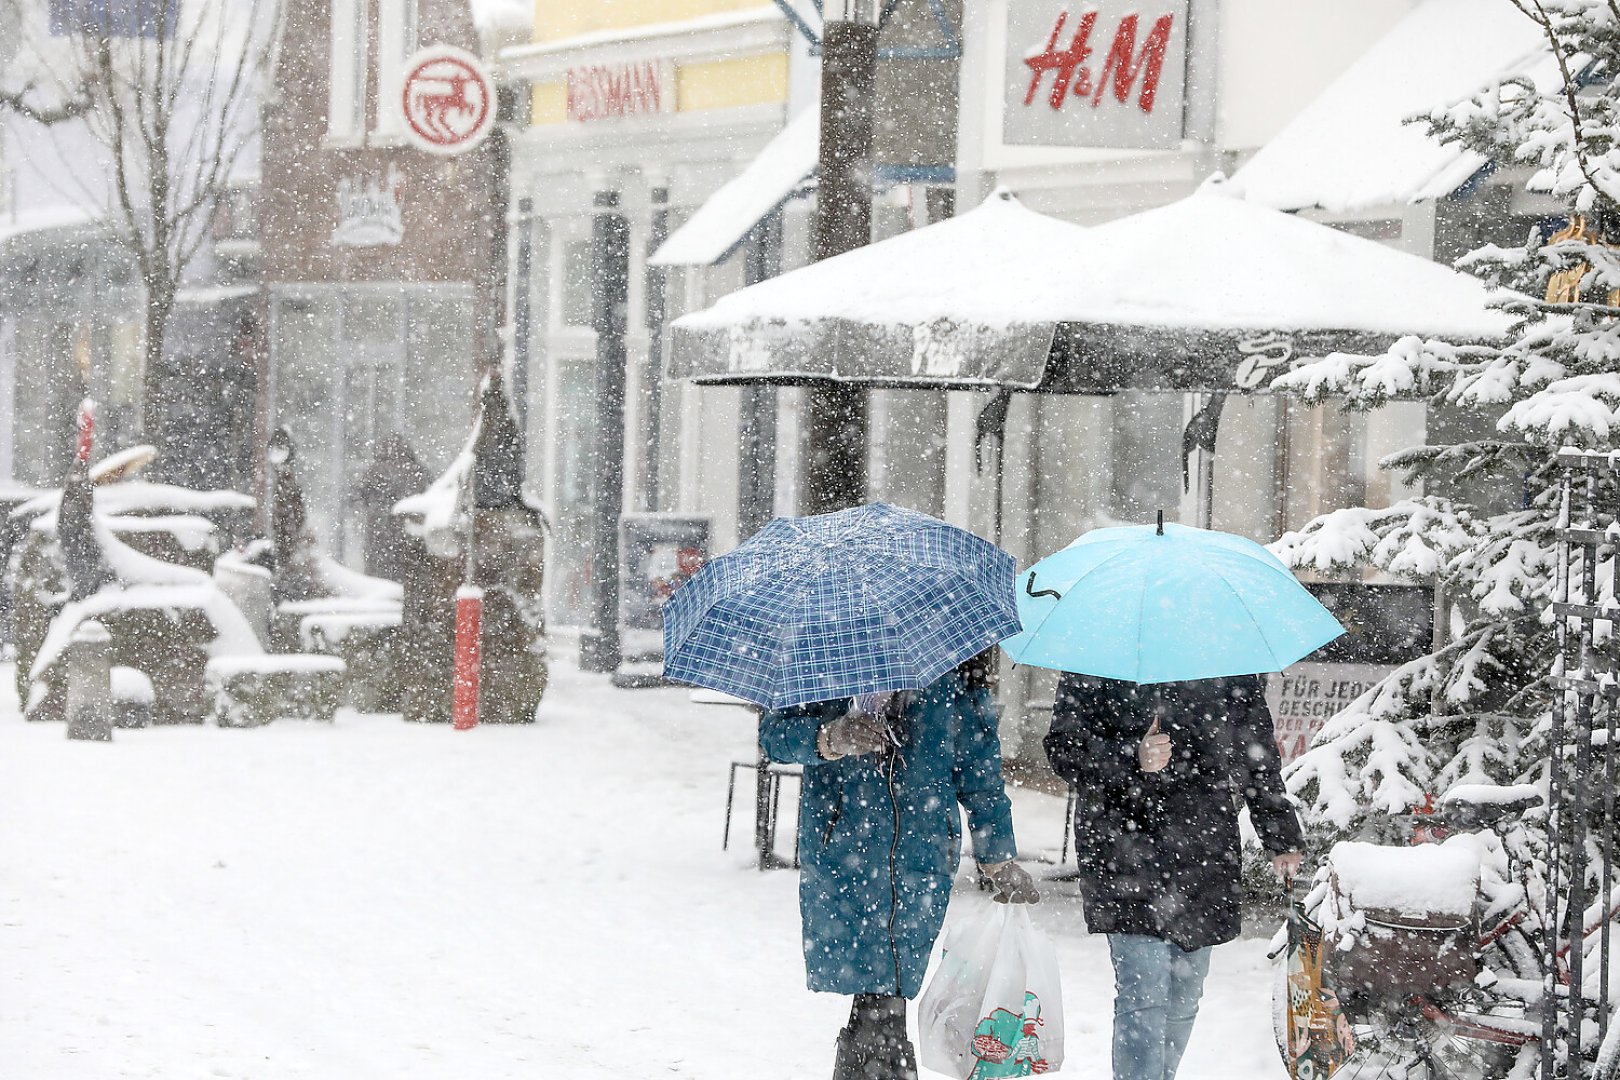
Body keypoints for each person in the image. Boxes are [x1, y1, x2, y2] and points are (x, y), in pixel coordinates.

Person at [761, 652, 1040, 1080]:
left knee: (887, 991)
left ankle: (873, 1061)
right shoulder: (821, 652)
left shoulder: (950, 658)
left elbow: (979, 761)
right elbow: (773, 736)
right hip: (844, 848)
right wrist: (831, 737)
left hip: (922, 851)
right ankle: (879, 1062)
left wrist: (997, 854)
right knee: (879, 999)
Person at [1043, 673, 1304, 1080]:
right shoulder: (1100, 653)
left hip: (1202, 849)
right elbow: (1063, 748)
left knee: (1184, 998)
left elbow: (1256, 752)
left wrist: (1279, 831)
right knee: (1143, 997)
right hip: (1122, 848)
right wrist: (1133, 756)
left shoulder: (1223, 656)